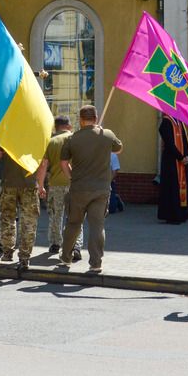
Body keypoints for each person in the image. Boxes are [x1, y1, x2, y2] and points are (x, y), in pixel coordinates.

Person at [59, 105, 122, 274]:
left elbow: (64, 163)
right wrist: (102, 133)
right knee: (97, 226)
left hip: (79, 188)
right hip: (101, 188)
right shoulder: (107, 135)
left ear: (80, 120)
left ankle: (66, 258)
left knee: (73, 224)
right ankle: (96, 263)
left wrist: (71, 176)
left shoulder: (72, 139)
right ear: (96, 117)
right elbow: (119, 148)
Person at [37, 116, 79, 259]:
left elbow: (43, 165)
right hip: (74, 183)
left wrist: (40, 185)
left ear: (56, 127)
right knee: (75, 216)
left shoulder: (50, 142)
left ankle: (55, 243)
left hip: (55, 184)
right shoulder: (75, 139)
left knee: (56, 214)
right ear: (69, 126)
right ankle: (76, 246)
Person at [0, 148, 39, 269]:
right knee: (28, 221)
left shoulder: (7, 135)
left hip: (9, 183)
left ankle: (7, 252)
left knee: (7, 218)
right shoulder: (37, 136)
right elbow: (43, 162)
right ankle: (25, 257)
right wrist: (40, 183)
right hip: (29, 185)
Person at [157, 114, 188, 223]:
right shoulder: (167, 122)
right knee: (171, 188)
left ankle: (180, 213)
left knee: (177, 188)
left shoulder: (178, 122)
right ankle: (171, 215)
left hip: (178, 160)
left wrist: (185, 156)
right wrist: (180, 157)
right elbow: (170, 143)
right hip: (171, 161)